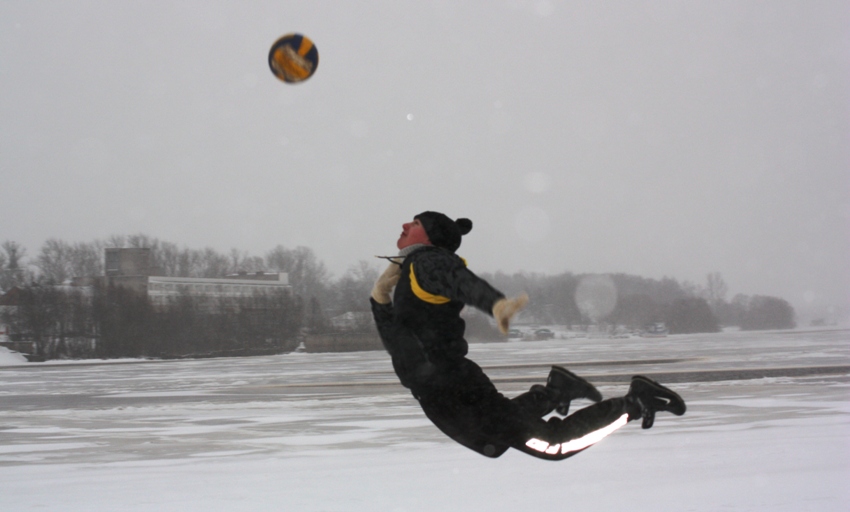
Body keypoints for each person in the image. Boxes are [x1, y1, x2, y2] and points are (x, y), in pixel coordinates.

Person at [370, 211, 686, 460]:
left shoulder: (428, 261)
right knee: (493, 441)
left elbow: (458, 280)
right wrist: (379, 299)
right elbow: (399, 342)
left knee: (552, 445)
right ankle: (556, 392)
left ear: (431, 237)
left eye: (414, 223)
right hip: (442, 386)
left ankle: (634, 402)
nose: (404, 225)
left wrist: (494, 303)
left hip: (448, 385)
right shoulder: (415, 269)